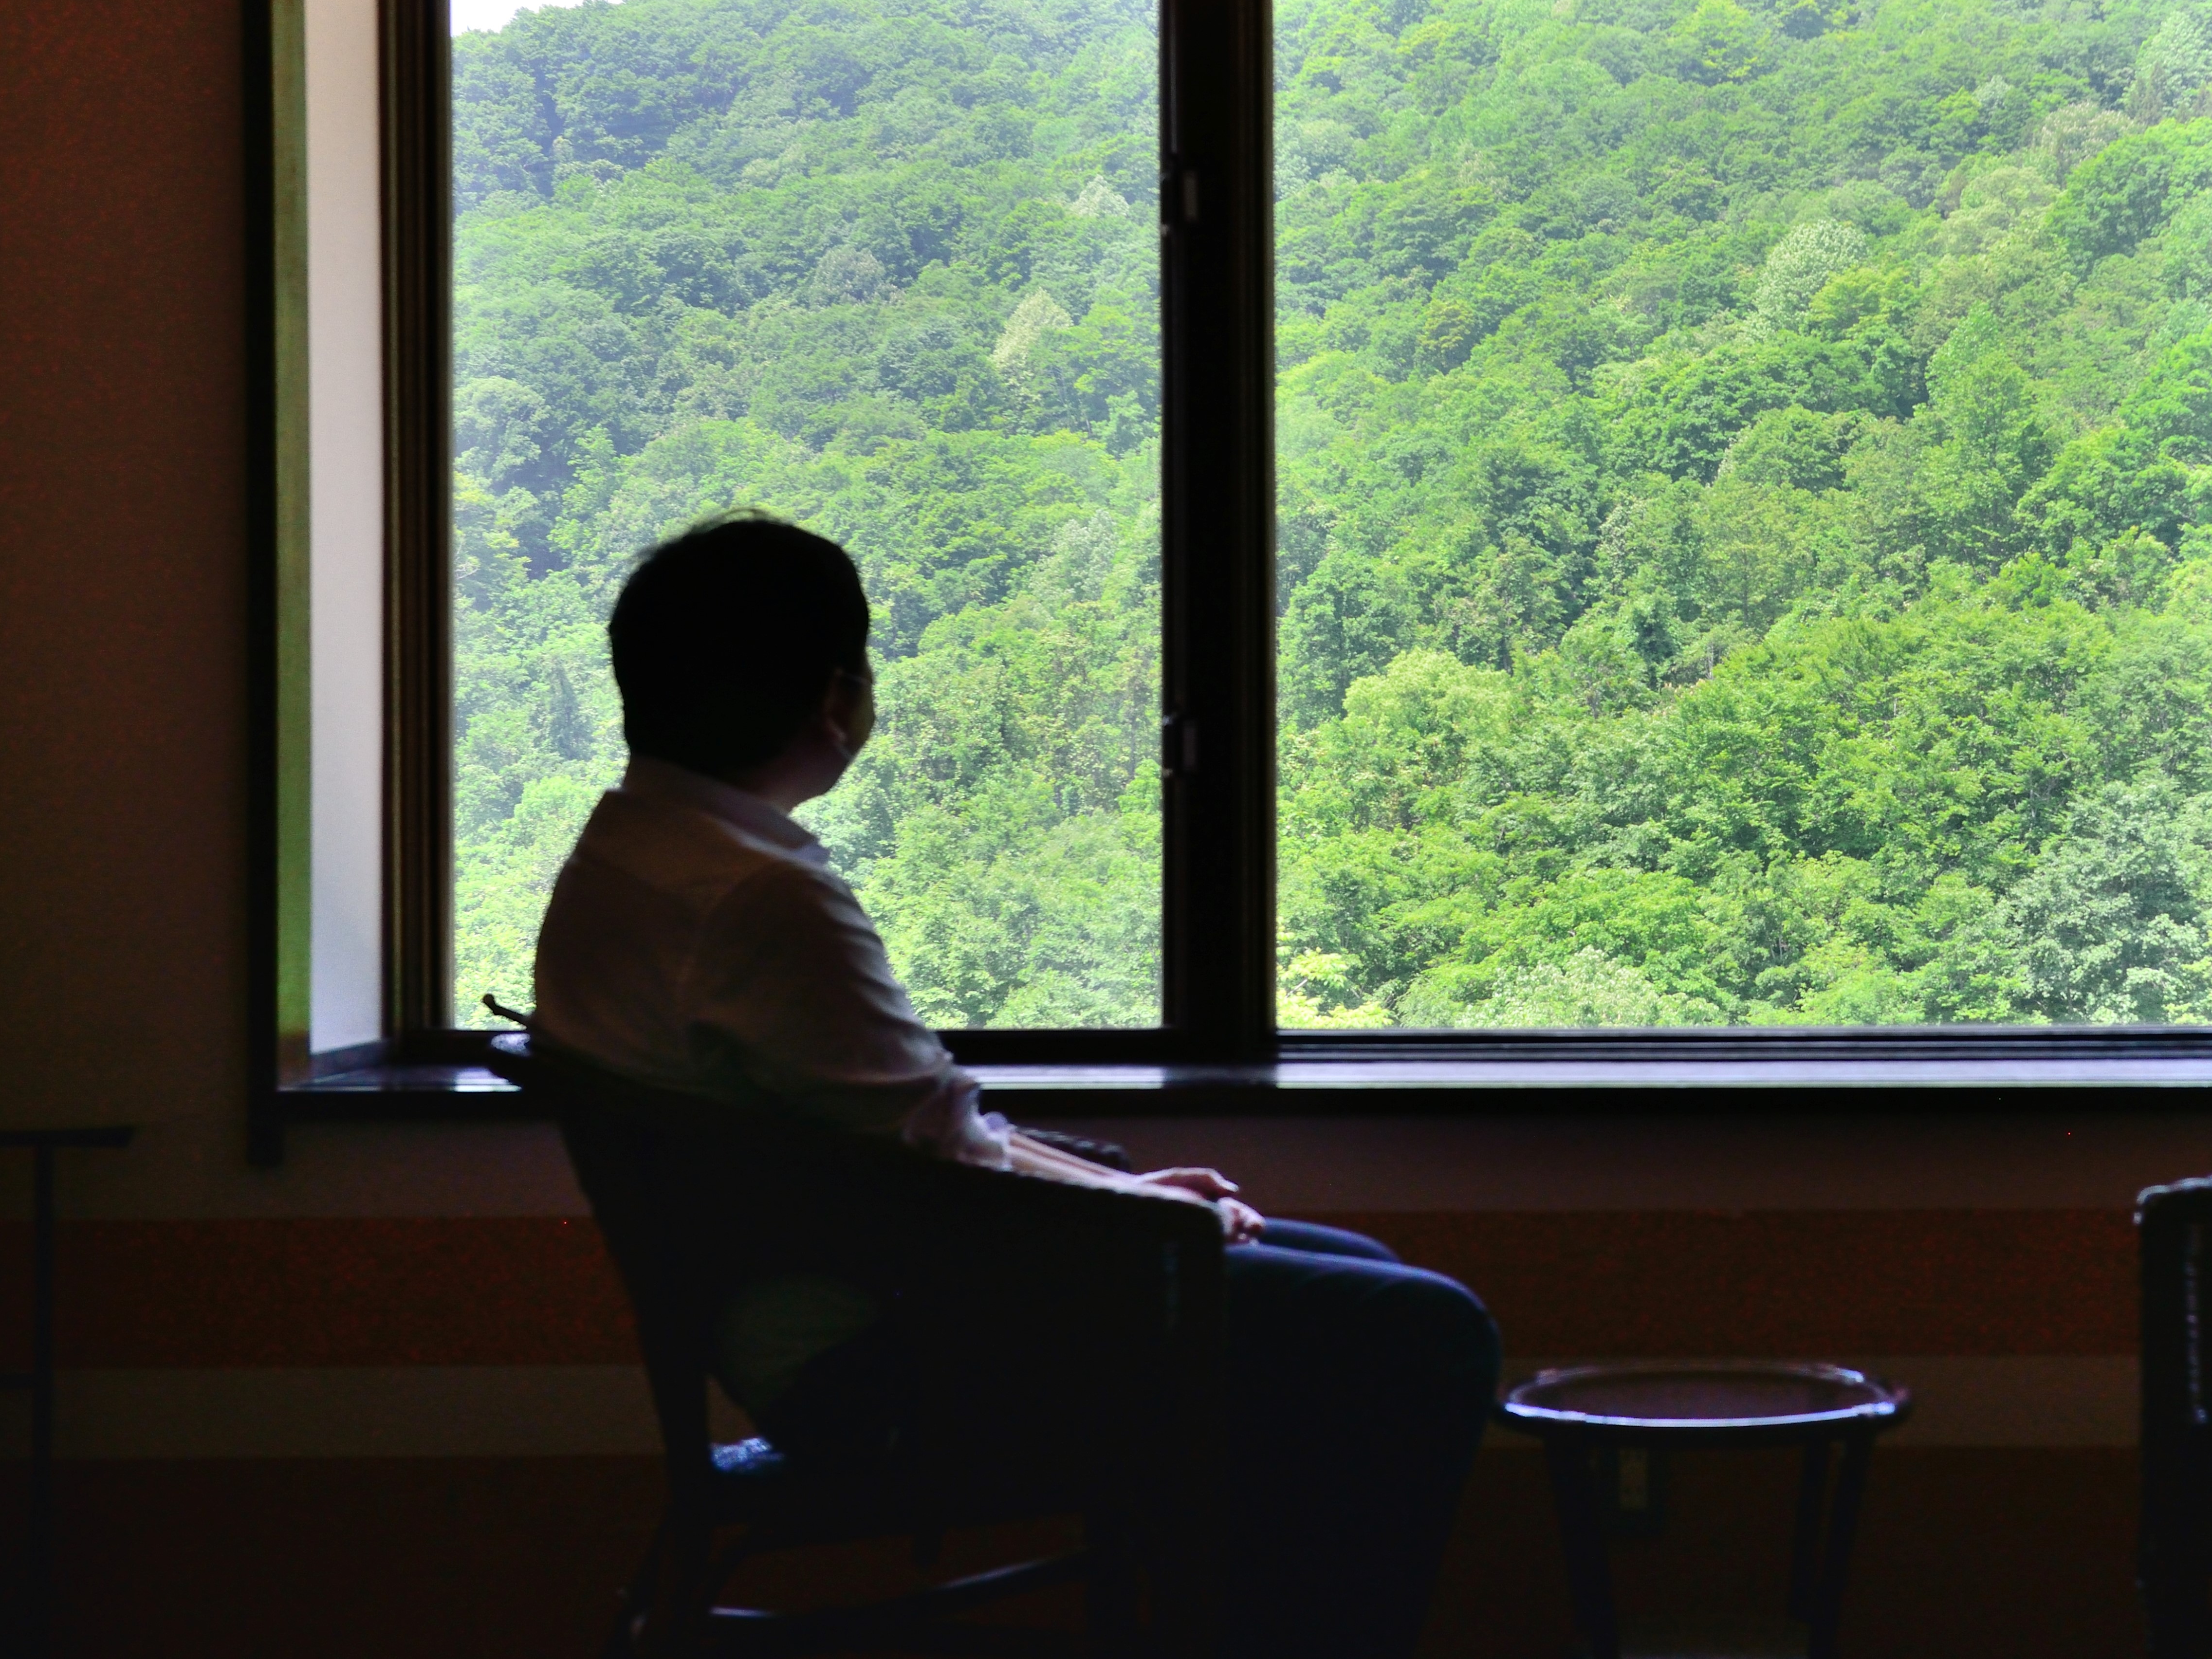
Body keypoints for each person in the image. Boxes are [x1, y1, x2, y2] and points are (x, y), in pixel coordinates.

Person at [531, 512, 1496, 1659]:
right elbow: (943, 1153)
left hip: (826, 1320)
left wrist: (1145, 1201)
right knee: (1422, 1329)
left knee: (1362, 1282)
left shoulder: (630, 855)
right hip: (878, 1362)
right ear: (834, 700)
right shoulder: (757, 895)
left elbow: (919, 1121)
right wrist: (1151, 1212)